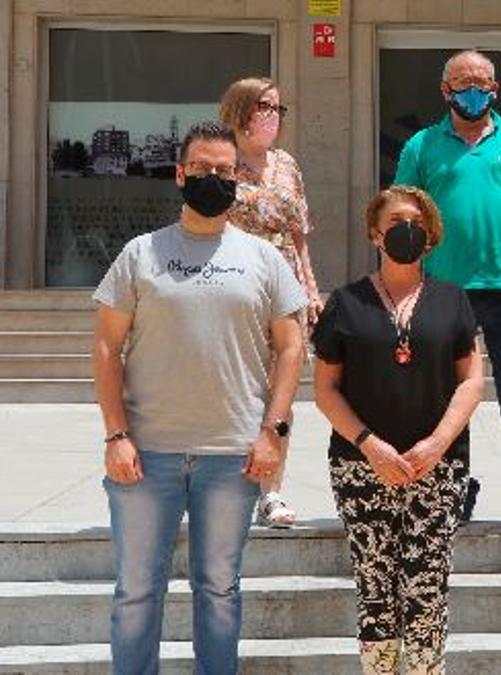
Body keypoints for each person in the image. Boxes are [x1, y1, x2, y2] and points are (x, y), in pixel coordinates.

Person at [92, 120, 307, 674]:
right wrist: (116, 435)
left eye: (225, 170)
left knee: (219, 591)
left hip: (231, 457)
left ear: (239, 177)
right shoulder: (141, 253)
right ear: (180, 174)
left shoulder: (264, 259)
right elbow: (105, 346)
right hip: (147, 455)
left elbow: (291, 347)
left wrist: (273, 431)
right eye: (202, 169)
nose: (213, 178)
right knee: (137, 592)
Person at [312, 185, 483, 674]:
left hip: (437, 467)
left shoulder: (453, 301)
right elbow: (325, 389)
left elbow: (472, 380)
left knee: (427, 588)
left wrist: (436, 443)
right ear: (374, 233)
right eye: (394, 222)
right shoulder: (345, 303)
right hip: (362, 470)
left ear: (429, 235)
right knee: (375, 587)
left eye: (415, 221)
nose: (405, 229)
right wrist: (371, 447)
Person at [394, 49, 501, 537]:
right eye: (463, 83)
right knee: (444, 398)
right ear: (445, 91)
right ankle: (452, 487)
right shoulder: (422, 147)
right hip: (442, 292)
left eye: (483, 82)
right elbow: (401, 217)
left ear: (496, 89)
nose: (474, 90)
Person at [220, 76, 322, 528]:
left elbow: (299, 234)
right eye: (265, 106)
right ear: (242, 108)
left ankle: (271, 491)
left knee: (281, 393)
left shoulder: (287, 165)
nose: (273, 116)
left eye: (279, 108)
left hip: (284, 281)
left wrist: (311, 286)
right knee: (233, 389)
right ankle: (226, 486)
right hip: (232, 279)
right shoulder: (220, 160)